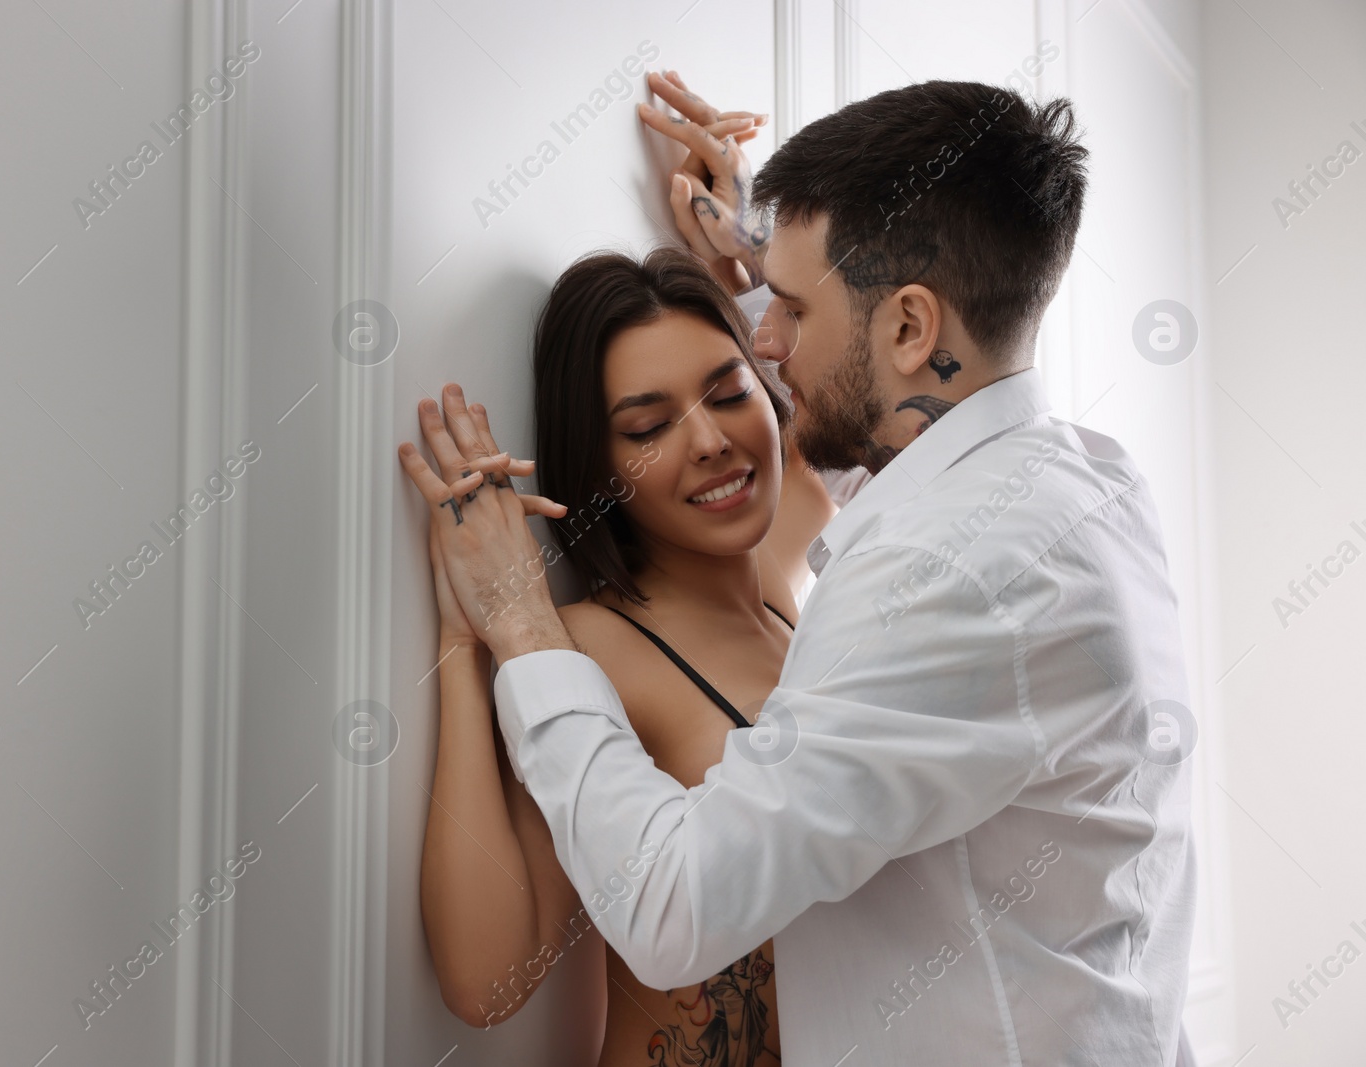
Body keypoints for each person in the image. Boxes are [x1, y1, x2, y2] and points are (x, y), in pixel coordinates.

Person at [400, 77, 1197, 1063]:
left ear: (909, 327)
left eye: (781, 321)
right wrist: (770, 264)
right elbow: (489, 978)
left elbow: (673, 906)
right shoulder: (1084, 485)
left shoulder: (918, 571)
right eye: (646, 425)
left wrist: (517, 621)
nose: (768, 349)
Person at [417, 244, 835, 1063]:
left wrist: (742, 252)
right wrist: (472, 638)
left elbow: (829, 400)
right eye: (648, 428)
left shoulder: (784, 574)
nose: (712, 440)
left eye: (728, 392)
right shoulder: (585, 652)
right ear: (600, 466)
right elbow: (486, 982)